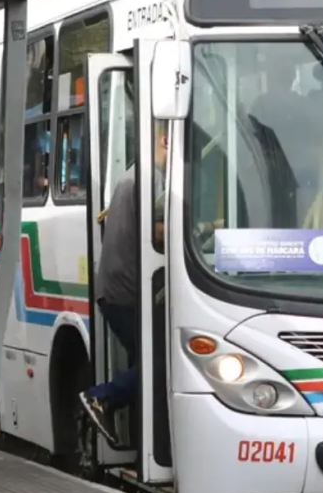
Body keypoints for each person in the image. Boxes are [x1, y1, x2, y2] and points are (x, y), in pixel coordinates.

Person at [78, 122, 223, 446]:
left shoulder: (136, 173)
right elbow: (158, 233)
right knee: (163, 361)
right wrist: (205, 228)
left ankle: (143, 441)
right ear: (164, 140)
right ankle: (101, 398)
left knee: (146, 360)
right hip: (126, 294)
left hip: (118, 291)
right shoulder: (151, 180)